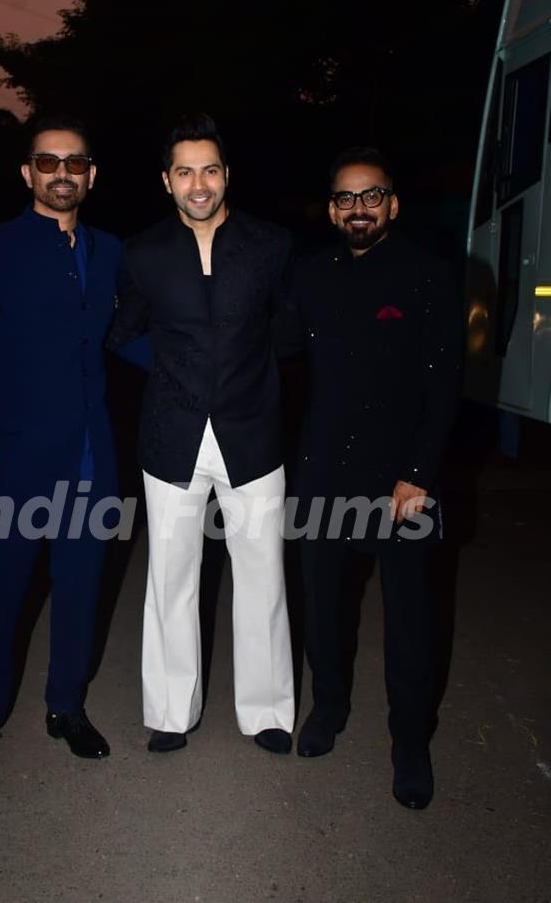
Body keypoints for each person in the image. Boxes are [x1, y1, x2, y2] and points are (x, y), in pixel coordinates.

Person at [0, 113, 137, 782]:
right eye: (48, 161)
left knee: (81, 592)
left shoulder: (110, 251)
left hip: (91, 459)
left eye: (75, 162)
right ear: (28, 173)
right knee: (4, 596)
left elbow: (118, 337)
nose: (62, 173)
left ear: (91, 176)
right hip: (18, 462)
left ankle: (66, 709)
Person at [107, 113, 295, 755]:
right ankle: (168, 710)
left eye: (208, 169)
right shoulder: (143, 253)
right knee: (171, 576)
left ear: (224, 176)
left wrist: (251, 372)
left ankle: (268, 711)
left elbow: (289, 331)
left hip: (253, 432)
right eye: (184, 170)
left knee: (263, 574)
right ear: (166, 181)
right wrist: (170, 368)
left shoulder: (269, 246)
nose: (198, 183)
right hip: (172, 433)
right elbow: (125, 333)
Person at [289, 147, 462, 809]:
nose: (357, 209)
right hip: (324, 474)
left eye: (371, 196)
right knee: (324, 606)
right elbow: (273, 350)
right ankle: (327, 709)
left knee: (411, 618)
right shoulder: (309, 276)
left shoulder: (428, 276)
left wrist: (418, 473)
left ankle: (410, 742)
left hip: (403, 482)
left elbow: (444, 384)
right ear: (331, 210)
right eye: (345, 198)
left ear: (392, 204)